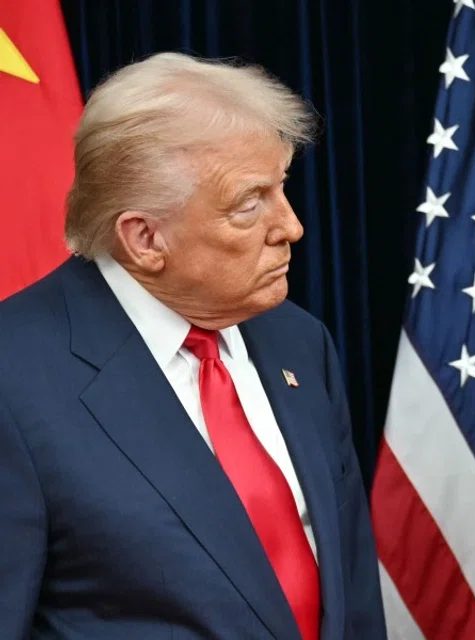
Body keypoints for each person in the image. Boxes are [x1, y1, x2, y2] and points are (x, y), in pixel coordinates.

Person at [0, 52, 386, 639]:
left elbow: (352, 593)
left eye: (280, 189)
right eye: (248, 204)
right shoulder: (15, 378)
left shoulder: (300, 342)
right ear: (145, 237)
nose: (291, 226)